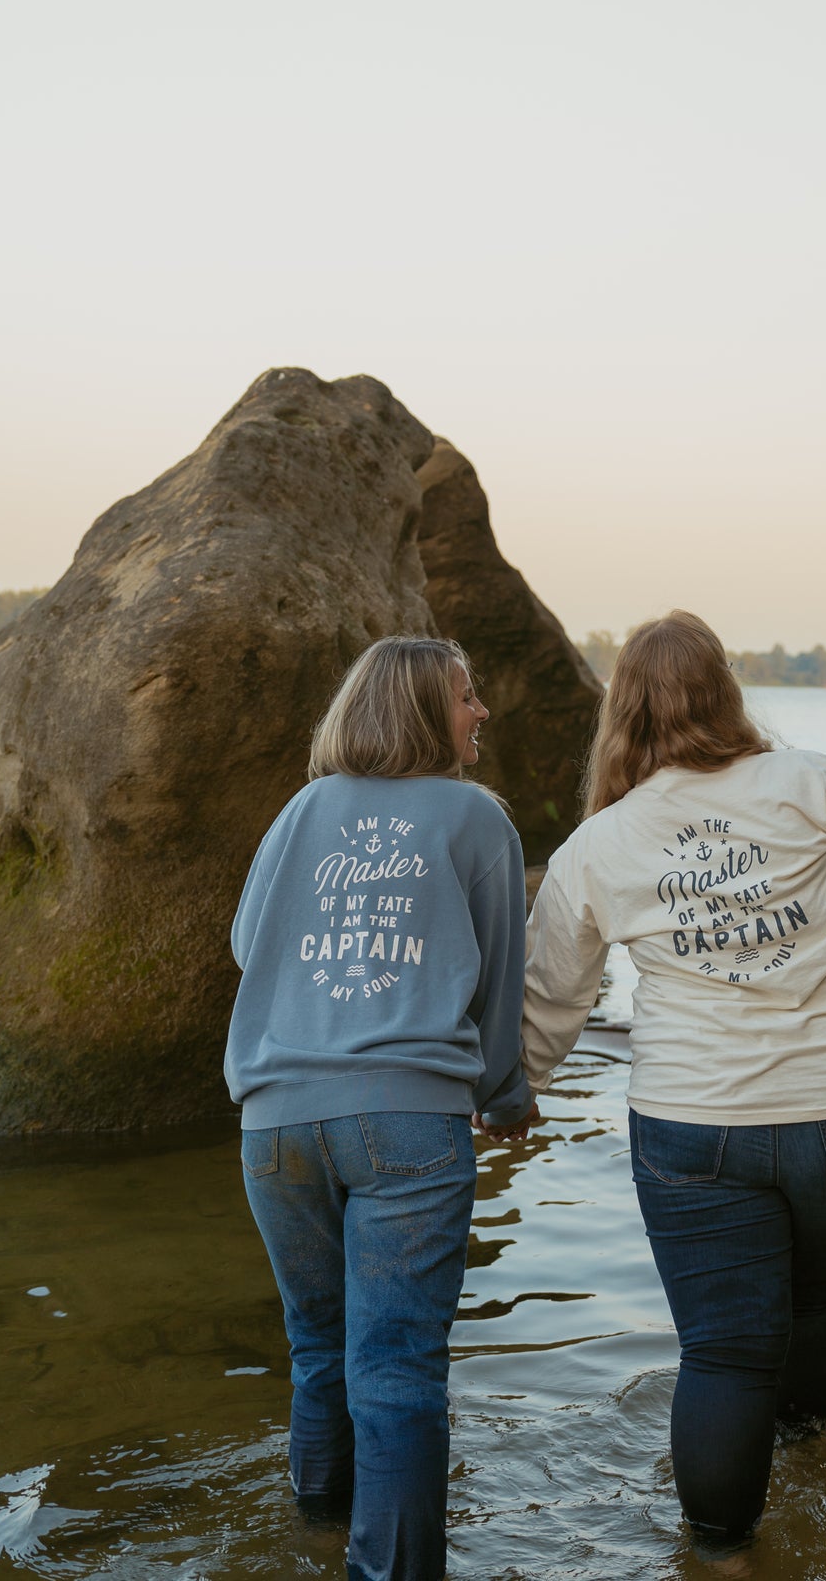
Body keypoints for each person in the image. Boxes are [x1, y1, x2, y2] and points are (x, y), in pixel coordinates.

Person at [520, 611, 826, 1545]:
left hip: (697, 1130)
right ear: (727, 690)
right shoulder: (816, 782)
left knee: (724, 1352)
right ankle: (812, 1471)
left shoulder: (597, 845)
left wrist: (512, 1094)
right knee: (813, 1295)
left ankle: (723, 1563)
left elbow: (549, 1002)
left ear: (620, 715)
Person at [224, 636, 537, 1581]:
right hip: (405, 1122)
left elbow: (250, 946)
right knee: (397, 1369)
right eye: (466, 695)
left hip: (275, 1122)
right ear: (417, 710)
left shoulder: (300, 810)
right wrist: (505, 1097)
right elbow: (498, 976)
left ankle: (317, 1535)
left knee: (319, 1350)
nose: (481, 711)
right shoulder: (475, 818)